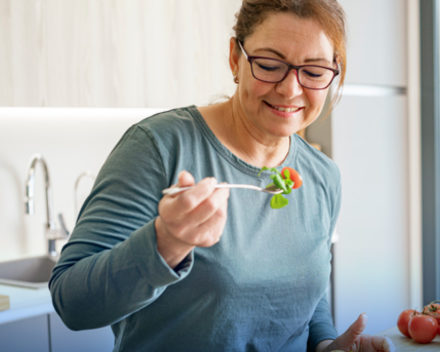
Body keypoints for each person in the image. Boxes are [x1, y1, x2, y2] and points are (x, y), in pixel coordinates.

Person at [49, 1, 394, 351]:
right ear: (235, 58)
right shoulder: (160, 147)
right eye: (270, 65)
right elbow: (72, 305)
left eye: (315, 72)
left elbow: (309, 297)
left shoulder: (323, 176)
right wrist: (166, 245)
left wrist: (327, 345)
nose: (291, 89)